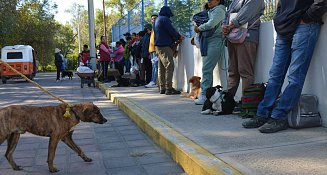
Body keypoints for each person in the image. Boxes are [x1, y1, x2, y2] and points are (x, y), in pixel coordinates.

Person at [242, 0, 327, 133]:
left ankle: (279, 117)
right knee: (275, 74)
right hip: (284, 26)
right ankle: (262, 114)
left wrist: (307, 17)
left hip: (305, 25)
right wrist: (278, 17)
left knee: (295, 76)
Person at [222, 0, 265, 99]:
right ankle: (228, 101)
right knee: (232, 71)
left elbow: (246, 13)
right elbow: (228, 13)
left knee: (245, 71)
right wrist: (224, 26)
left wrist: (230, 25)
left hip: (247, 37)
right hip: (232, 36)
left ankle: (246, 102)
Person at [193, 0, 226, 105]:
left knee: (206, 69)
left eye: (211, 0)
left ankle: (204, 95)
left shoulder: (219, 10)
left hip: (215, 40)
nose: (209, 2)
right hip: (207, 41)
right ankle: (207, 95)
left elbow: (211, 24)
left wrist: (199, 28)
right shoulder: (212, 10)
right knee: (207, 69)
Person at [154, 6, 184, 95]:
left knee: (161, 67)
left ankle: (162, 87)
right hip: (164, 46)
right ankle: (169, 88)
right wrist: (178, 37)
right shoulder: (164, 19)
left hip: (158, 46)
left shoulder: (157, 19)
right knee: (170, 65)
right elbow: (171, 30)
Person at [145, 14, 159, 88]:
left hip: (155, 50)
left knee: (155, 66)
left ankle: (154, 81)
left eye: (155, 18)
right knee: (154, 66)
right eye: (152, 19)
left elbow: (157, 39)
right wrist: (150, 52)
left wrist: (156, 49)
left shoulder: (157, 27)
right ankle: (153, 81)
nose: (153, 20)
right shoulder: (153, 28)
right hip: (152, 51)